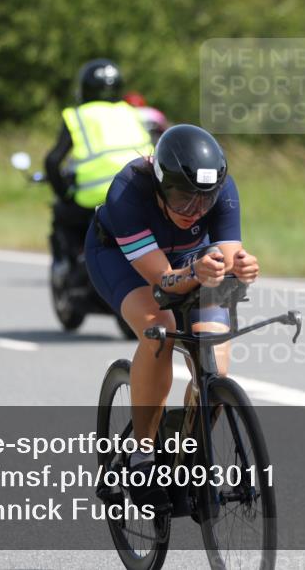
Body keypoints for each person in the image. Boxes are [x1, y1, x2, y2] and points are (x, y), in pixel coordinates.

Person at [85, 124, 260, 496]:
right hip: (120, 258)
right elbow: (163, 281)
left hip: (187, 260)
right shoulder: (128, 191)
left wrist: (241, 267)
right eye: (182, 200)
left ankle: (190, 452)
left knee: (214, 352)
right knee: (160, 329)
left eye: (204, 202)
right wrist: (197, 272)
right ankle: (142, 457)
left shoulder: (222, 189)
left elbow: (228, 259)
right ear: (161, 184)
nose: (194, 212)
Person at [44, 59, 153, 274]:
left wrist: (64, 194)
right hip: (139, 192)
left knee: (61, 213)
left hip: (92, 198)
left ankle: (72, 262)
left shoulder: (77, 116)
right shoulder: (133, 112)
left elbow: (52, 161)